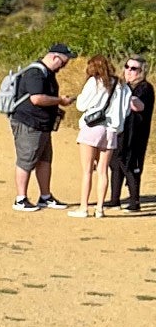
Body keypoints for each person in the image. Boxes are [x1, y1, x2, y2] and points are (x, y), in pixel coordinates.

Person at [10, 44, 75, 211]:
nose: (63, 67)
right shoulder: (35, 73)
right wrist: (60, 100)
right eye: (63, 62)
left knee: (45, 160)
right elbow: (37, 99)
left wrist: (56, 108)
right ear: (54, 57)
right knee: (26, 159)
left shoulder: (48, 73)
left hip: (42, 124)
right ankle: (20, 198)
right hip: (29, 123)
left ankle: (45, 196)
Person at [69, 53, 130, 218]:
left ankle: (83, 207)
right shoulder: (122, 85)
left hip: (92, 127)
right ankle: (100, 208)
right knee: (103, 170)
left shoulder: (94, 82)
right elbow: (126, 110)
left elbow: (82, 105)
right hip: (111, 130)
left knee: (87, 171)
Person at [107, 54, 152, 213]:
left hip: (135, 133)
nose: (128, 71)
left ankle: (135, 201)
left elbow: (138, 106)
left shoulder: (145, 87)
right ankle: (114, 199)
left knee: (130, 164)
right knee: (115, 163)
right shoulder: (124, 86)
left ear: (141, 71)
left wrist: (125, 92)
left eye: (133, 69)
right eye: (127, 67)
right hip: (121, 130)